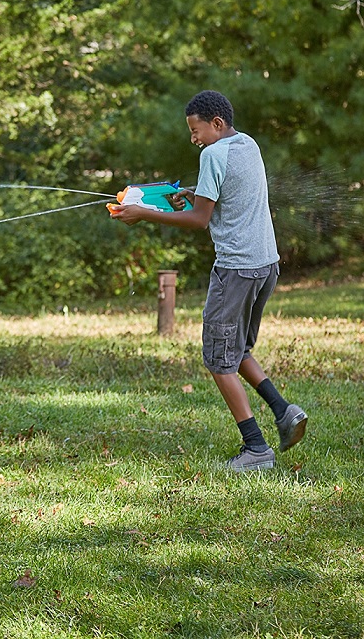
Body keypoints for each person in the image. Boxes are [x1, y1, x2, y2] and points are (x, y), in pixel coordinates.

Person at [111, 90, 307, 472]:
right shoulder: (247, 144)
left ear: (216, 123)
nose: (193, 138)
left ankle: (256, 449)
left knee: (219, 360)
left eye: (196, 130)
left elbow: (200, 220)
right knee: (238, 350)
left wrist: (142, 214)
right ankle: (285, 412)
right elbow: (224, 197)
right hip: (265, 265)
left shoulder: (212, 154)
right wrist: (190, 193)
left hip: (235, 270)